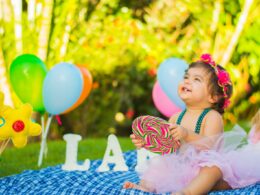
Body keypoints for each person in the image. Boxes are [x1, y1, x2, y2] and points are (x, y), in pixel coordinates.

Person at [123, 54, 260, 194]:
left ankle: (187, 192)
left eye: (196, 79)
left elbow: (210, 146)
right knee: (159, 163)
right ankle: (145, 187)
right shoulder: (176, 117)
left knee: (213, 169)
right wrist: (145, 143)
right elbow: (166, 147)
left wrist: (187, 134)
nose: (187, 82)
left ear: (213, 97)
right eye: (186, 77)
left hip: (204, 170)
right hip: (181, 169)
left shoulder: (211, 117)